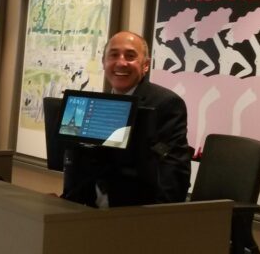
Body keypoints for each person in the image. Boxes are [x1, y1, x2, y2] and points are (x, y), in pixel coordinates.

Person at [65, 31, 192, 207]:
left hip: (136, 212)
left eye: (130, 56)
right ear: (104, 62)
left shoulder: (166, 104)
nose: (121, 62)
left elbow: (173, 169)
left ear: (145, 65)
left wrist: (159, 217)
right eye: (113, 55)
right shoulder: (97, 104)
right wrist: (66, 200)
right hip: (87, 208)